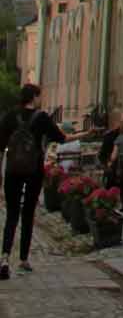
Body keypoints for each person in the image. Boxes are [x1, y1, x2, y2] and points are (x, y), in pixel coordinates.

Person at [0, 84, 68, 279]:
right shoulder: (42, 117)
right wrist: (83, 135)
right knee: (28, 213)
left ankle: (4, 258)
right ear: (34, 98)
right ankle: (23, 260)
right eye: (40, 96)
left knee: (12, 213)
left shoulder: (10, 116)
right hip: (33, 169)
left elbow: (0, 144)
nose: (41, 100)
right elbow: (60, 138)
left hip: (13, 169)